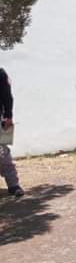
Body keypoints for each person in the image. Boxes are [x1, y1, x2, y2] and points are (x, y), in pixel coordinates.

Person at [0, 68, 23, 197]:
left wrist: (8, 116)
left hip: (1, 119)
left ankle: (13, 184)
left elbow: (7, 96)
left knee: (2, 153)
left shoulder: (1, 74)